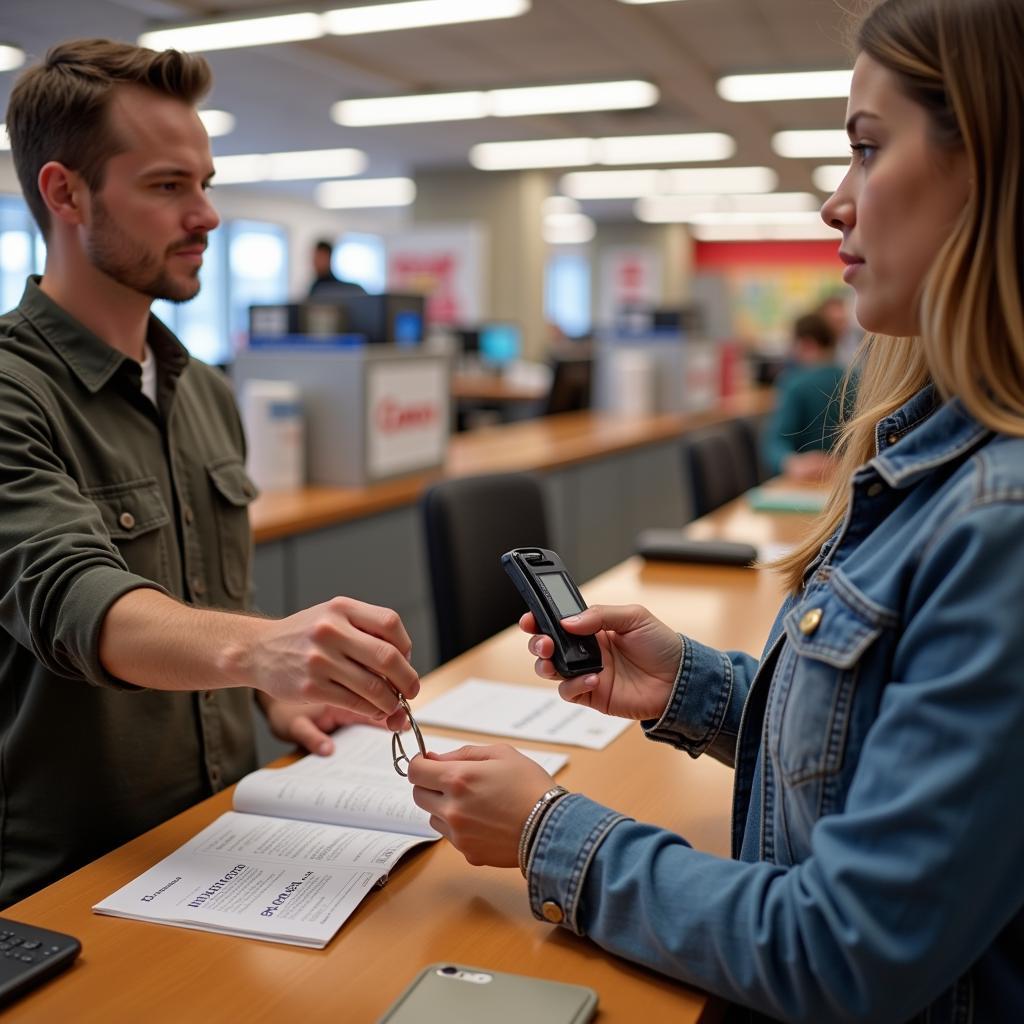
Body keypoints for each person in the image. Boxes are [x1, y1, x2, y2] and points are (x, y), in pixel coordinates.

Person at [409, 0, 1024, 1019]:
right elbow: (879, 750)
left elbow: (842, 950)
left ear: (991, 169)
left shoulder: (998, 521)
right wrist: (687, 686)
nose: (835, 203)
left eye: (867, 150)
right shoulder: (940, 463)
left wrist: (544, 830)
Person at [0, 39, 417, 908]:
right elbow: (78, 601)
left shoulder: (208, 394)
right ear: (64, 192)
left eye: (206, 182)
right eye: (167, 186)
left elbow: (204, 594)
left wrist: (274, 701)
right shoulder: (13, 395)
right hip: (74, 881)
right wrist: (268, 652)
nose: (207, 216)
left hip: (227, 835)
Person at [763, 311, 846, 481]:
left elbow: (775, 444)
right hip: (847, 476)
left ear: (806, 344)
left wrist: (793, 463)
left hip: (806, 481)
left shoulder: (795, 384)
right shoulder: (857, 377)